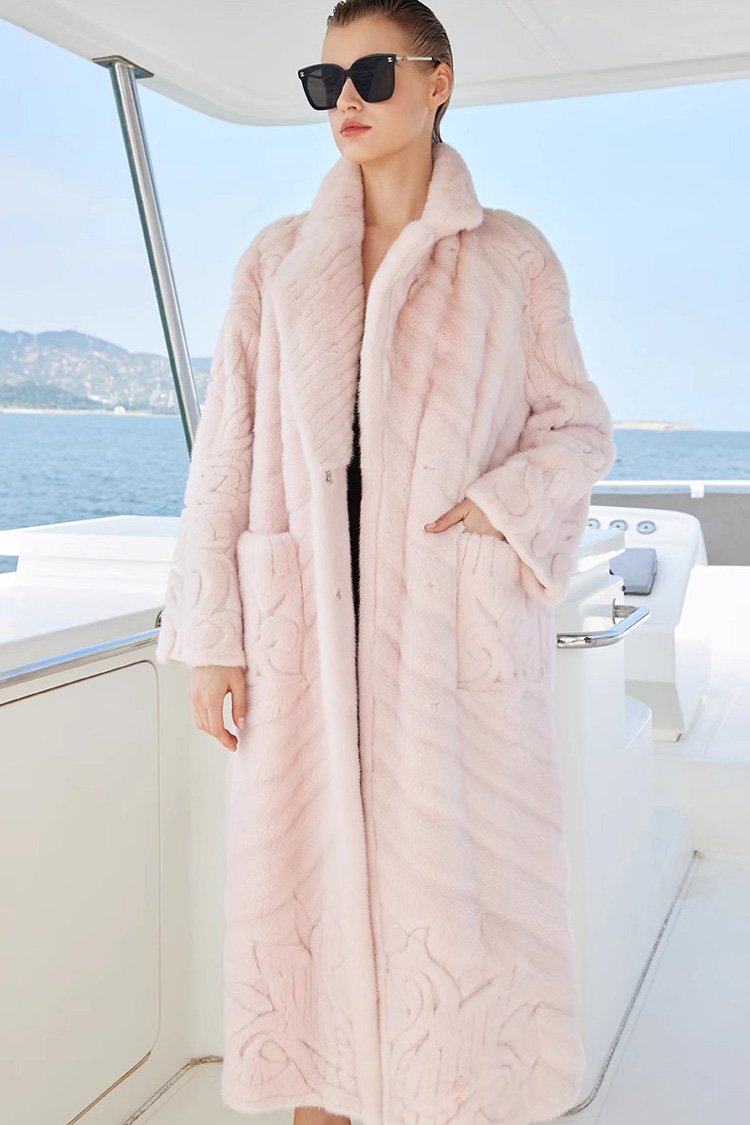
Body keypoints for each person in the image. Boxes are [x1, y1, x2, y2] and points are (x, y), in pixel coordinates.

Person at [156, 2, 617, 1123]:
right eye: (326, 84)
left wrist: (497, 507)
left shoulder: (510, 258)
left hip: (446, 641)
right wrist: (213, 636)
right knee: (303, 923)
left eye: (370, 73)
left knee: (454, 948)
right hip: (304, 634)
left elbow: (578, 430)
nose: (346, 102)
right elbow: (225, 453)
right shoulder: (277, 263)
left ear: (438, 81)